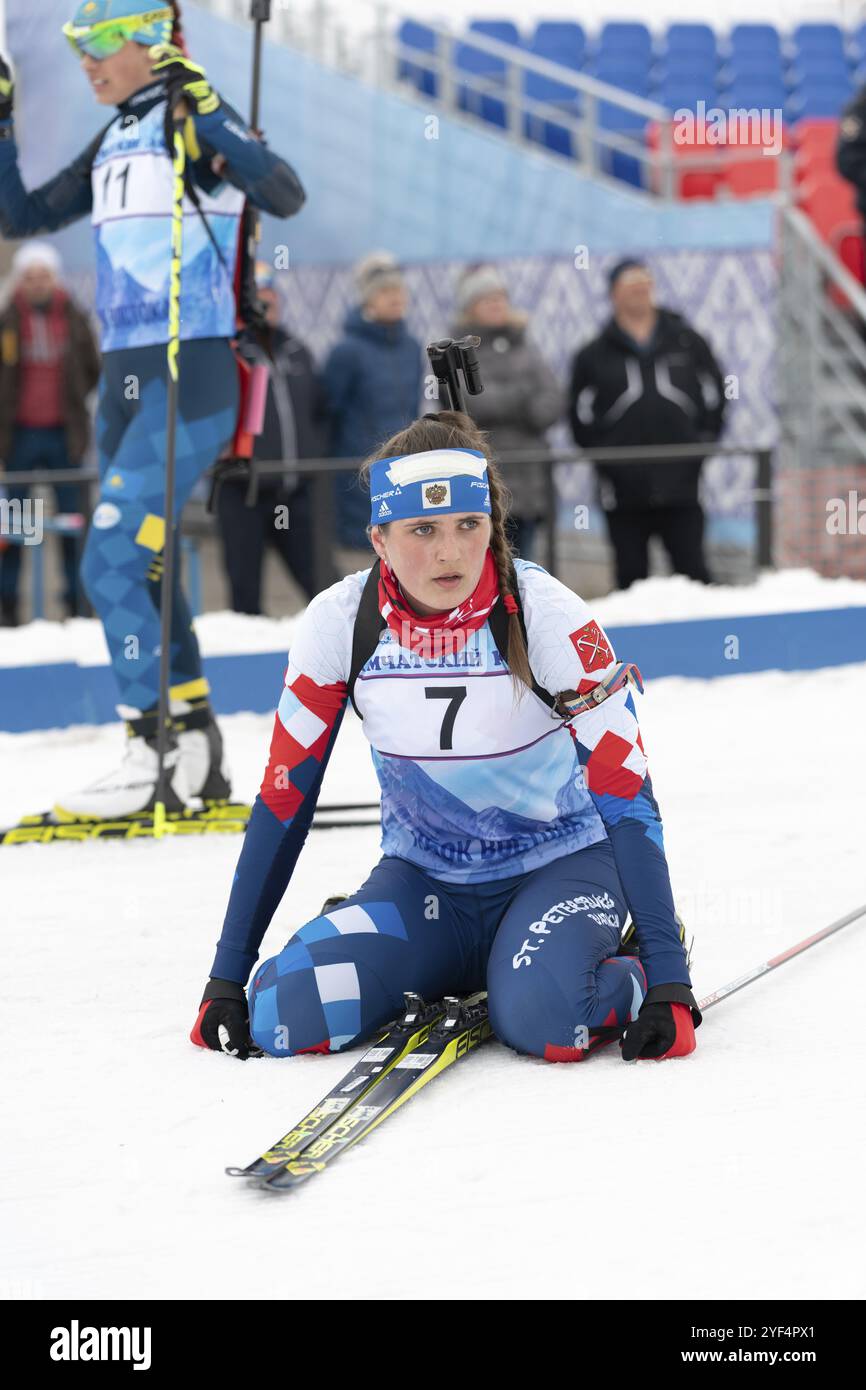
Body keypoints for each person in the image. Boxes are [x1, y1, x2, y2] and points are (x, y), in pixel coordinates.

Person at [191, 411, 701, 1067]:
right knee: (282, 1014)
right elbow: (285, 800)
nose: (450, 552)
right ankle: (451, 959)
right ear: (378, 537)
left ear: (492, 524)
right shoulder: (339, 624)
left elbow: (629, 797)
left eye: (469, 525)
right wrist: (227, 974)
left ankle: (601, 960)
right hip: (425, 882)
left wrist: (667, 977)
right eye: (422, 530)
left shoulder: (546, 614)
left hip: (563, 866)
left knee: (547, 1022)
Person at [0, 1, 306, 817]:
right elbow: (23, 216)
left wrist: (211, 115)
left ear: (150, 41)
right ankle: (195, 744)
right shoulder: (119, 131)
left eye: (102, 47)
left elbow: (284, 193)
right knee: (147, 559)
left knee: (107, 561)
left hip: (190, 372)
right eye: (80, 51)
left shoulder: (189, 111)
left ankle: (148, 748)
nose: (89, 65)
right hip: (126, 384)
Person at [568, 259, 726, 591]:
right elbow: (576, 411)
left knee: (694, 572)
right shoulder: (594, 353)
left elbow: (717, 390)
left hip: (682, 483)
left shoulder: (686, 340)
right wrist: (602, 457)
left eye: (645, 285)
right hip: (623, 489)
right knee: (630, 578)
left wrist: (704, 441)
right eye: (631, 286)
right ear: (613, 295)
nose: (640, 293)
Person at [216, 261, 327, 613]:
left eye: (272, 294)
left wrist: (312, 458)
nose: (268, 302)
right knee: (245, 594)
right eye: (259, 295)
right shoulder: (226, 353)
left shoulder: (297, 350)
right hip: (243, 492)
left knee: (325, 586)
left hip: (295, 493)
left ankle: (349, 659)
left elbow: (319, 411)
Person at [0, 241, 100, 625]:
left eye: (43, 276)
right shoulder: (7, 319)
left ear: (53, 279)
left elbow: (93, 368)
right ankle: (10, 605)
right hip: (20, 437)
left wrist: (73, 404)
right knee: (17, 526)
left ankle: (75, 603)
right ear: (21, 281)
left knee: (73, 520)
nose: (37, 283)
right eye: (30, 277)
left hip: (64, 435)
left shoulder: (74, 317)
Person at [451, 264, 562, 561]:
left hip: (531, 475)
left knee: (525, 560)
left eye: (500, 298)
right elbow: (472, 403)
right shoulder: (459, 350)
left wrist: (516, 402)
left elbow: (552, 401)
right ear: (471, 308)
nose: (496, 305)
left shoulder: (526, 346)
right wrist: (525, 396)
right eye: (487, 300)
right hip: (486, 469)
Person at [324, 251, 423, 569]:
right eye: (385, 291)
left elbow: (413, 407)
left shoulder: (411, 347)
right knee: (364, 557)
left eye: (399, 290)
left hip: (403, 467)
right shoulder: (347, 351)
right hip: (359, 472)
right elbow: (328, 411)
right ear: (368, 300)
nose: (395, 298)